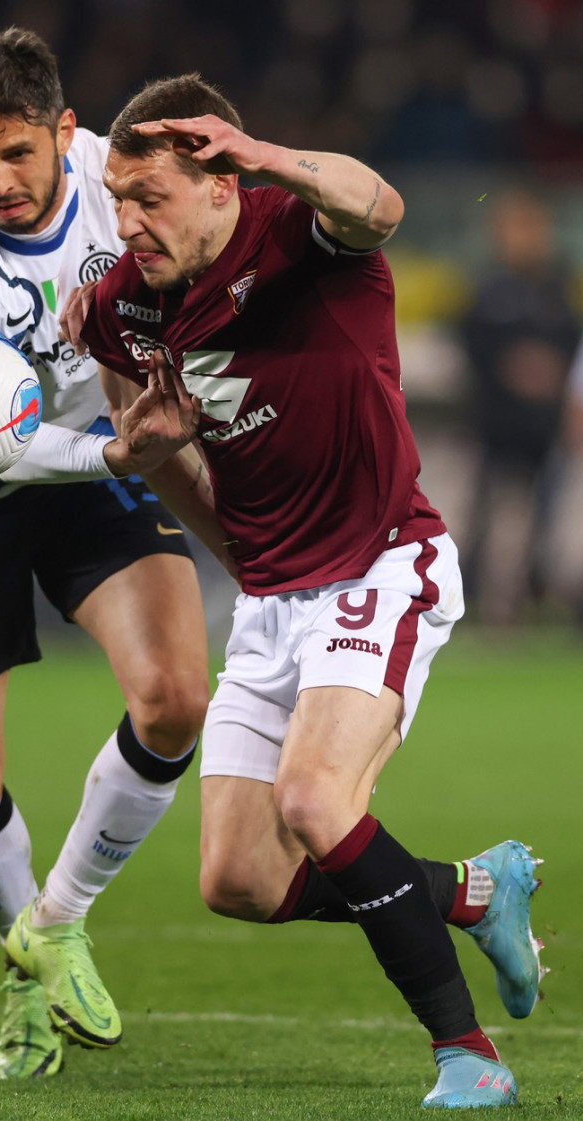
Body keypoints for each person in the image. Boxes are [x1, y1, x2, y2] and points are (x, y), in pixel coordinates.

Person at [56, 73, 545, 1108]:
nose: (127, 221)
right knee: (236, 878)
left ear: (221, 179)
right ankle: (472, 887)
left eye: (151, 195)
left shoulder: (297, 232)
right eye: (115, 196)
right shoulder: (124, 306)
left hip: (380, 562)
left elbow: (379, 205)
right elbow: (141, 424)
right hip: (272, 595)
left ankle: (469, 1055)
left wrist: (270, 154)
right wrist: (144, 456)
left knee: (315, 799)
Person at [0, 30, 222, 1081]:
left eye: (18, 152)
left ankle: (55, 922)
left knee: (174, 696)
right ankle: (23, 961)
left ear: (66, 130)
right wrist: (121, 445)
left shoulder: (127, 187)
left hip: (95, 468)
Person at [459, 188, 579, 625]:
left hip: (544, 426)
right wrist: (513, 365)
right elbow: (472, 343)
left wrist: (552, 370)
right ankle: (465, 599)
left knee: (545, 522)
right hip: (497, 423)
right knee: (483, 517)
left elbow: (569, 342)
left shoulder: (556, 286)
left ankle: (534, 601)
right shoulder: (488, 287)